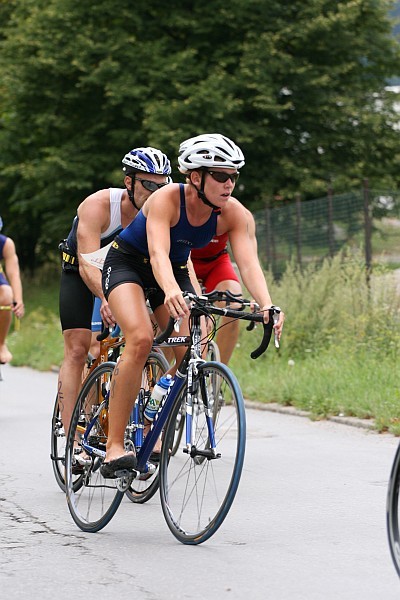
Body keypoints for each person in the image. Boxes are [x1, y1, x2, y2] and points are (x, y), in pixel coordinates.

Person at [99, 133, 285, 477]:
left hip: (175, 271)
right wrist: (169, 291)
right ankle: (113, 447)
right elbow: (156, 252)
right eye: (220, 175)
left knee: (190, 354)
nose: (229, 183)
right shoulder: (168, 198)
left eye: (233, 176)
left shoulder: (235, 214)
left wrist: (267, 305)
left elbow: (248, 264)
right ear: (195, 177)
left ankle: (154, 417)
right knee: (140, 339)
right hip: (129, 263)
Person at [57, 146, 172, 440]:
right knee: (81, 348)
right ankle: (74, 436)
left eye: (163, 185)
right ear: (129, 182)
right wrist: (106, 299)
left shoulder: (163, 211)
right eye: (148, 184)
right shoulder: (98, 205)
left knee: (150, 340)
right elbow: (87, 263)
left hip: (128, 274)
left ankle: (146, 428)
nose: (156, 192)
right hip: (83, 272)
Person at [191, 206, 257, 365]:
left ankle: (215, 380)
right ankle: (159, 381)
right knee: (181, 316)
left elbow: (250, 262)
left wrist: (257, 297)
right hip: (185, 261)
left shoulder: (242, 214)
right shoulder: (188, 204)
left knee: (235, 306)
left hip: (217, 263)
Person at [0, 217, 25, 363]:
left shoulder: (5, 244)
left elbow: (14, 274)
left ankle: (1, 344)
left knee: (7, 294)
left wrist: (18, 300)